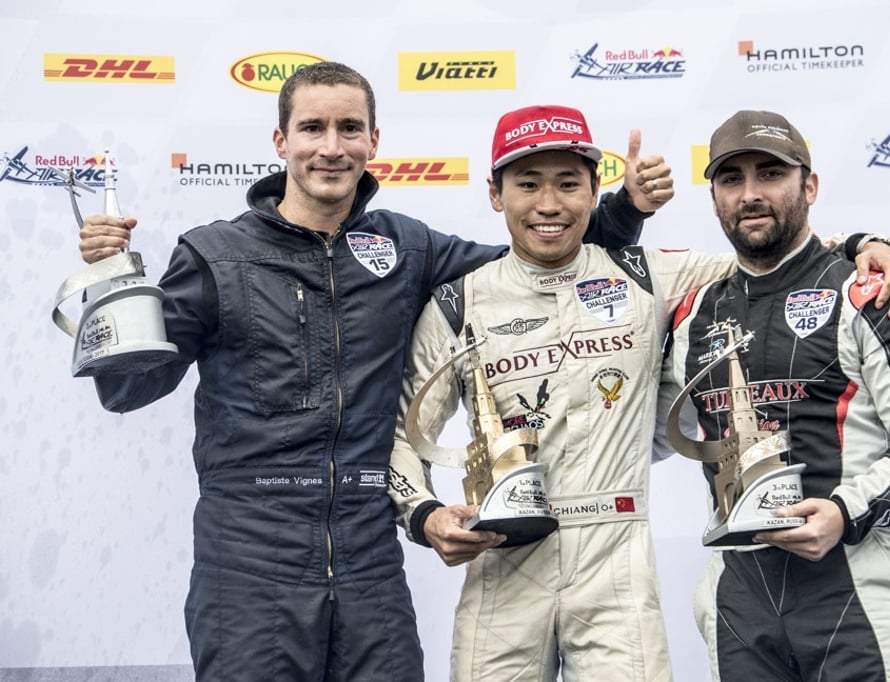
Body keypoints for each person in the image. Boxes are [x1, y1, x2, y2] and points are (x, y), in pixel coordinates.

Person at [75, 62, 676, 681]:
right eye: (312, 128)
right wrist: (111, 286)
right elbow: (126, 388)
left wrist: (624, 209)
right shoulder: (216, 255)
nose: (331, 147)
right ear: (281, 142)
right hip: (250, 565)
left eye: (349, 128)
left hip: (370, 565)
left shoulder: (407, 248)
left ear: (374, 141)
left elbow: (533, 255)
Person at [387, 104, 890, 681]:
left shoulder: (648, 274)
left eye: (568, 183)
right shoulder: (456, 302)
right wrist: (424, 514)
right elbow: (401, 435)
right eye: (527, 184)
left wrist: (866, 244)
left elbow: (774, 257)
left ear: (595, 192)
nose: (548, 204)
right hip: (502, 567)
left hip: (615, 572)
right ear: (495, 193)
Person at [658, 110, 890, 681]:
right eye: (732, 179)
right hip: (739, 602)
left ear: (810, 185)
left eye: (770, 174)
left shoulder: (870, 291)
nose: (750, 194)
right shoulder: (691, 312)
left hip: (854, 589)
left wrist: (846, 512)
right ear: (714, 197)